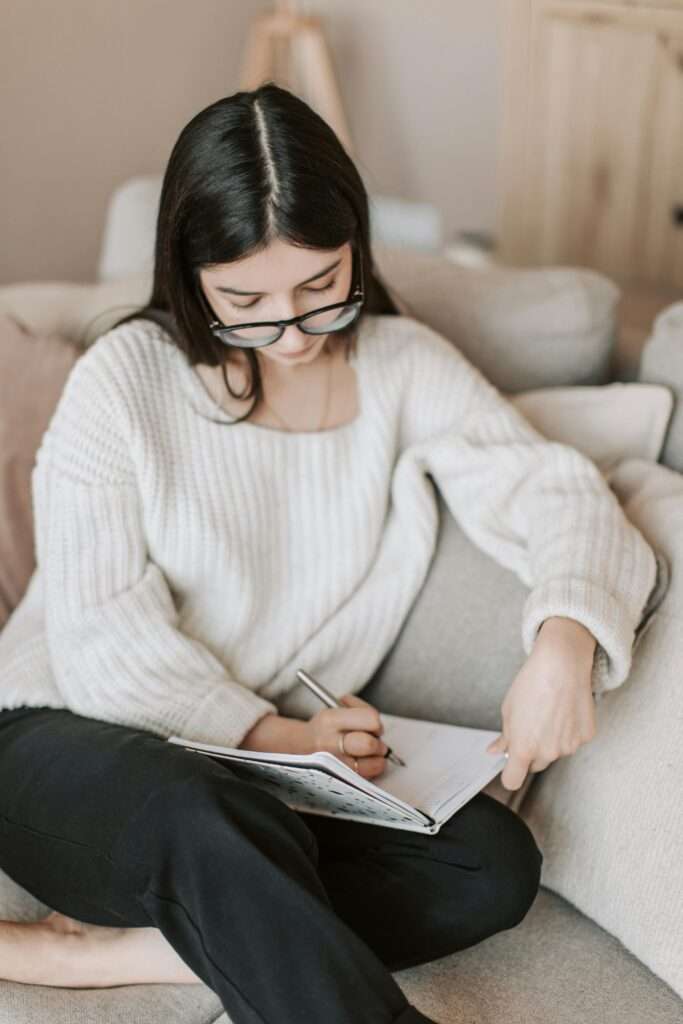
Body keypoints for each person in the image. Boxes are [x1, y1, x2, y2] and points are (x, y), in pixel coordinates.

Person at [0, 83, 658, 1024]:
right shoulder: (125, 382)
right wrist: (283, 739)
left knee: (491, 861)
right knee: (200, 807)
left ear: (355, 246)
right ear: (189, 277)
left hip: (262, 781)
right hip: (63, 738)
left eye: (320, 288)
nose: (295, 334)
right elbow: (103, 644)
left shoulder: (403, 367)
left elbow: (553, 489)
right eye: (246, 305)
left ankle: (111, 955)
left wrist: (563, 640)